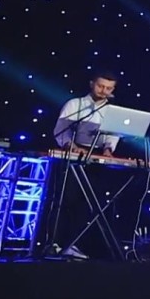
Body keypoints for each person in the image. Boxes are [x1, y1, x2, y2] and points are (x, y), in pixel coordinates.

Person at [46, 70, 122, 259]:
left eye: (109, 88)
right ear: (92, 84)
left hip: (96, 157)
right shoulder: (75, 104)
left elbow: (113, 135)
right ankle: (54, 243)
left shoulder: (112, 111)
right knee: (65, 201)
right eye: (101, 86)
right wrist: (72, 146)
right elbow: (61, 130)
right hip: (73, 155)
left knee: (87, 204)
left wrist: (108, 149)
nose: (104, 91)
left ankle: (73, 245)